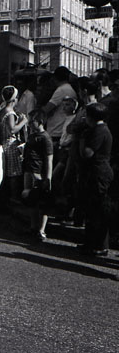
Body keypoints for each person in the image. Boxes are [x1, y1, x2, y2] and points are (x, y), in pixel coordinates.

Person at [77, 102, 113, 257]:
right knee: (92, 209)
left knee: (98, 209)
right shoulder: (100, 129)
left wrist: (82, 139)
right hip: (95, 172)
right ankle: (91, 242)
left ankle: (100, 245)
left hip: (98, 172)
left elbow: (87, 153)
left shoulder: (99, 131)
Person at [21, 110, 53, 242]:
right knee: (30, 199)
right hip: (29, 169)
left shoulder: (45, 138)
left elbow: (49, 159)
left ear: (40, 122)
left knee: (42, 200)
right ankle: (33, 226)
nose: (29, 123)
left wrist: (48, 178)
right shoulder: (32, 136)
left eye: (32, 120)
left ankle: (42, 230)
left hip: (39, 172)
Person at [0, 86, 28, 203]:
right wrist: (23, 121)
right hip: (10, 144)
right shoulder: (10, 113)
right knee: (14, 173)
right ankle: (14, 197)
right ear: (14, 99)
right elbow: (12, 129)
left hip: (3, 142)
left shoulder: (1, 109)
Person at [43, 66, 77, 157]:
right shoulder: (70, 89)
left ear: (55, 78)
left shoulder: (61, 90)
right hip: (62, 128)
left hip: (56, 130)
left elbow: (47, 108)